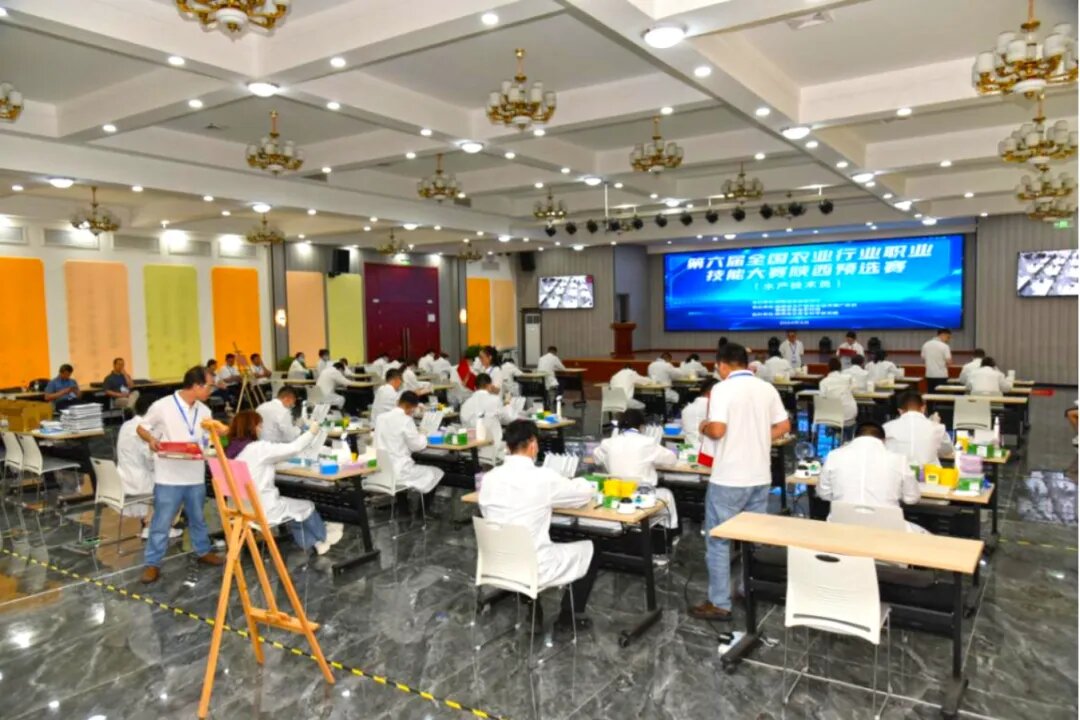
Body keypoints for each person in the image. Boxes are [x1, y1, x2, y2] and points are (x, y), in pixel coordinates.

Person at [690, 343, 789, 621]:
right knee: (752, 539)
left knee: (718, 541)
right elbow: (784, 426)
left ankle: (720, 603)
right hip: (760, 476)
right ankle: (748, 589)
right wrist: (756, 438)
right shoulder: (766, 388)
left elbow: (718, 430)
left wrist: (703, 426)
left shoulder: (722, 389)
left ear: (722, 365)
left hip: (729, 478)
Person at [478, 420, 599, 630]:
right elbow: (581, 495)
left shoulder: (488, 479)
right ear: (533, 443)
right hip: (535, 567)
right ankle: (568, 617)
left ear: (508, 446)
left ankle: (532, 605)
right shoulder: (543, 477)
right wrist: (584, 483)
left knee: (527, 536)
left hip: (497, 565)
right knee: (592, 550)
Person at [137, 365, 224, 584]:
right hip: (169, 476)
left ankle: (203, 550)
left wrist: (214, 440)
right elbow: (141, 428)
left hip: (195, 474)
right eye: (209, 386)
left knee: (198, 518)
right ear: (196, 386)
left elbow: (207, 438)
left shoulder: (204, 411)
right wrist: (152, 440)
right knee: (161, 521)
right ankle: (152, 563)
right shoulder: (163, 406)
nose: (211, 390)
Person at [225, 410, 345, 555]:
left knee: (294, 509)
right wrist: (311, 432)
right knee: (307, 506)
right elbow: (294, 448)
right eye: (260, 426)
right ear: (252, 427)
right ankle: (325, 537)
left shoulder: (231, 451)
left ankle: (315, 544)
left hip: (241, 509)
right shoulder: (258, 448)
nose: (261, 430)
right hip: (265, 509)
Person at [818, 422, 924, 533]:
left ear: (854, 438)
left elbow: (823, 494)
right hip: (888, 530)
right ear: (884, 441)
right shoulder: (899, 460)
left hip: (840, 526)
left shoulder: (833, 456)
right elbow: (912, 498)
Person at [594, 409, 679, 530]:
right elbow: (671, 460)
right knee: (667, 494)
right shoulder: (647, 442)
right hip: (641, 496)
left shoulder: (608, 443)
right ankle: (670, 532)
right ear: (642, 427)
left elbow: (596, 458)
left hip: (615, 495)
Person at [116, 393, 180, 537]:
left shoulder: (126, 425)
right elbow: (153, 458)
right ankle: (160, 526)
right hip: (139, 483)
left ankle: (150, 523)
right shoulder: (146, 431)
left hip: (123, 479)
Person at [370, 391, 444, 495]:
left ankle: (404, 504)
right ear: (412, 408)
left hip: (380, 471)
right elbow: (417, 446)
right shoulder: (406, 420)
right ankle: (420, 506)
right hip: (400, 471)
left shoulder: (380, 418)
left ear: (398, 402)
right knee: (436, 472)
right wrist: (424, 435)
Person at [884, 391, 954, 466]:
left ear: (900, 411)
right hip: (929, 472)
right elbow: (947, 451)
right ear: (923, 408)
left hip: (898, 471)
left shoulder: (886, 427)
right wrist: (936, 424)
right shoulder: (937, 427)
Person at [819, 357, 858, 430]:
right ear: (840, 367)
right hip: (849, 416)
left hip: (832, 418)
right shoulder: (848, 378)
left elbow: (822, 399)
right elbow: (855, 389)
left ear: (828, 368)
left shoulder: (823, 382)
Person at [680, 377, 718, 445]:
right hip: (707, 450)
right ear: (711, 393)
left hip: (688, 449)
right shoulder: (715, 408)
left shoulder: (686, 409)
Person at [921, 328, 952, 393]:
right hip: (941, 376)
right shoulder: (945, 346)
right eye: (948, 337)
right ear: (943, 335)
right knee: (941, 396)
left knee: (930, 394)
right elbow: (949, 362)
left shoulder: (926, 344)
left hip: (929, 375)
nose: (948, 340)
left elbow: (923, 359)